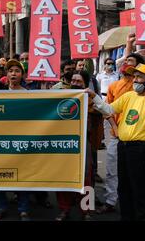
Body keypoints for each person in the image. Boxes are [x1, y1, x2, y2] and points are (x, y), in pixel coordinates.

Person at [88, 64, 145, 220]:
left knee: (140, 188)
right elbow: (108, 110)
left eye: (139, 77)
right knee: (124, 187)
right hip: (123, 146)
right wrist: (94, 96)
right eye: (134, 77)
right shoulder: (128, 96)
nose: (135, 80)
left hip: (140, 149)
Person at [96, 52, 145, 214]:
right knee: (112, 169)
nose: (125, 63)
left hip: (137, 138)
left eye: (130, 61)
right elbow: (108, 110)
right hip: (116, 134)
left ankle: (137, 205)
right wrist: (115, 129)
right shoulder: (114, 86)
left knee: (135, 173)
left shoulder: (141, 87)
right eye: (124, 60)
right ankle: (111, 201)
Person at [55, 70, 99, 221]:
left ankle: (87, 211)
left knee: (86, 176)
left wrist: (93, 96)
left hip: (84, 142)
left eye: (79, 81)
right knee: (63, 175)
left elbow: (105, 110)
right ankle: (64, 209)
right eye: (73, 80)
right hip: (64, 142)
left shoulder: (91, 99)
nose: (75, 83)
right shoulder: (61, 96)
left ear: (85, 84)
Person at [0, 60, 31, 221]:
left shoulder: (29, 94)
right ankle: (2, 207)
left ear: (22, 75)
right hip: (1, 141)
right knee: (0, 175)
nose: (13, 73)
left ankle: (23, 209)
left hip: (21, 141)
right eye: (10, 71)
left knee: (22, 176)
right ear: (6, 75)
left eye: (17, 71)